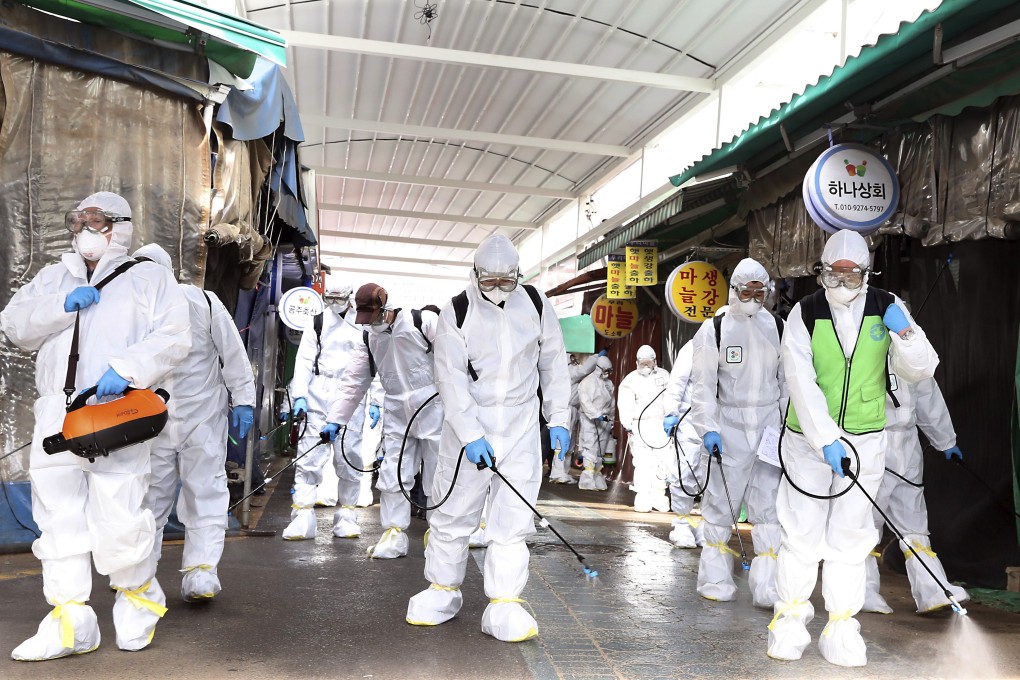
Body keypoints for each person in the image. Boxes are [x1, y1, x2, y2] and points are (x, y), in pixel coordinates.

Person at [1, 192, 190, 659]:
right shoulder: (53, 276)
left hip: (116, 412)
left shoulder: (149, 277)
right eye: (78, 221)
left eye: (97, 221)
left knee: (119, 515)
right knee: (57, 516)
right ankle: (70, 624)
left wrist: (127, 368)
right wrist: (62, 305)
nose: (85, 229)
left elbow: (174, 336)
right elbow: (14, 324)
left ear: (121, 227)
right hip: (57, 413)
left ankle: (138, 603)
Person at [768, 230, 939, 667]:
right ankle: (790, 623)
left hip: (865, 441)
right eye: (835, 272)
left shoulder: (887, 306)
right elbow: (800, 383)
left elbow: (921, 370)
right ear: (822, 271)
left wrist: (907, 336)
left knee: (851, 538)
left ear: (866, 272)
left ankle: (841, 627)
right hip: (808, 444)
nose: (843, 281)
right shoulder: (804, 314)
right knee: (801, 534)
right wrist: (825, 440)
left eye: (852, 273)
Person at [405, 235, 570, 642]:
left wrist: (560, 418)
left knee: (513, 518)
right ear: (475, 274)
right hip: (469, 428)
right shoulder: (456, 311)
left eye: (506, 281)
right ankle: (442, 591)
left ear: (518, 274)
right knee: (454, 513)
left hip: (521, 424)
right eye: (489, 281)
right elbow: (450, 378)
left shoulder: (535, 303)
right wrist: (471, 434)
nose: (497, 289)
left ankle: (504, 604)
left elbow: (553, 363)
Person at [133, 244, 255, 603]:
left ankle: (201, 572)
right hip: (150, 420)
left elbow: (233, 353)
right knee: (147, 497)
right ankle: (140, 572)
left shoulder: (202, 301)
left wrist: (244, 400)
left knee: (205, 490)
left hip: (201, 415)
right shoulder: (130, 311)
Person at [690, 258, 785, 608]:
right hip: (728, 425)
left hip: (768, 426)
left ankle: (768, 587)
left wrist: (787, 425)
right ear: (734, 290)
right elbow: (703, 386)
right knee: (720, 503)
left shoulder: (777, 325)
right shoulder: (714, 329)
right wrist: (708, 428)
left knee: (770, 506)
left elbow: (786, 381)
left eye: (760, 291)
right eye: (747, 290)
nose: (753, 296)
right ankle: (715, 580)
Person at [323, 284, 442, 559]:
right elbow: (354, 380)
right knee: (393, 474)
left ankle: (440, 536)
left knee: (438, 475)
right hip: (397, 410)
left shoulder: (423, 322)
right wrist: (336, 418)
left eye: (374, 317)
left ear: (387, 309)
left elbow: (455, 361)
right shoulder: (368, 337)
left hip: (435, 407)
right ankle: (394, 534)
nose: (371, 324)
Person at [863, 374, 969, 614]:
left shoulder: (910, 346)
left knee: (913, 520)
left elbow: (927, 393)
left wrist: (945, 440)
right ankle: (861, 591)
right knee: (866, 520)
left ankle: (933, 589)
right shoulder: (862, 343)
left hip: (907, 443)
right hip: (869, 440)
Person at [282, 280, 374, 541]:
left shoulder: (363, 321)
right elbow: (304, 359)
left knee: (349, 456)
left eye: (339, 298)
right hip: (319, 391)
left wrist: (376, 399)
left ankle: (347, 515)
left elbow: (374, 361)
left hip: (352, 391)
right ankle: (302, 515)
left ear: (350, 297)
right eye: (330, 298)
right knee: (309, 455)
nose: (334, 303)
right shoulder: (318, 320)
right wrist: (299, 395)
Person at [662, 339, 707, 548]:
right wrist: (671, 413)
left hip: (720, 423)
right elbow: (677, 382)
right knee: (685, 472)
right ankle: (681, 524)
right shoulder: (693, 347)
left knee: (713, 476)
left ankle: (707, 526)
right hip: (689, 420)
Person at [618, 345, 672, 512]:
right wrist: (627, 423)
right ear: (637, 362)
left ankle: (659, 496)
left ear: (655, 361)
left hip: (661, 426)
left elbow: (672, 397)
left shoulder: (665, 376)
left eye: (649, 362)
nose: (646, 366)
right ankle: (643, 497)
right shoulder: (630, 380)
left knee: (663, 462)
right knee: (643, 463)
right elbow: (625, 403)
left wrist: (672, 417)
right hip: (640, 427)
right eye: (643, 363)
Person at [549, 352, 602, 484]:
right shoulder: (568, 372)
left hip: (572, 410)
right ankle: (557, 473)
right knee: (562, 444)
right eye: (572, 359)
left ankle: (563, 473)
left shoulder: (567, 372)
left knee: (569, 444)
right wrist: (597, 357)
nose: (575, 361)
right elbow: (584, 370)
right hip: (566, 410)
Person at [577, 355, 614, 491]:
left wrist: (610, 419)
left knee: (601, 449)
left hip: (604, 420)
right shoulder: (587, 382)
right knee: (590, 446)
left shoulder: (608, 384)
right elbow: (585, 402)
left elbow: (612, 403)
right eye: (606, 370)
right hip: (590, 420)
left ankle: (597, 476)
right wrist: (597, 415)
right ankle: (587, 479)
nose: (607, 373)